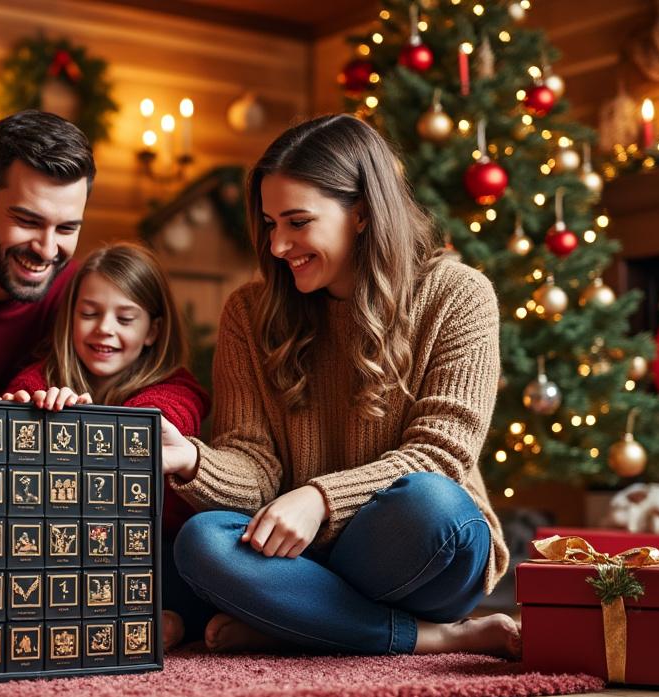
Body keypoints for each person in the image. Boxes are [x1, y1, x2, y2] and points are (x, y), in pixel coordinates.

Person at [160, 114, 520, 658]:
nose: (278, 245)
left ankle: (294, 618)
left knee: (430, 503)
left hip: (419, 549)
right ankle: (429, 637)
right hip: (304, 559)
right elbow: (254, 465)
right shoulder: (249, 314)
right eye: (270, 223)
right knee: (203, 541)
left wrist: (320, 500)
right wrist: (191, 459)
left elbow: (441, 455)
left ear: (362, 212)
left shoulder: (458, 295)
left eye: (298, 222)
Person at [0, 243, 211, 650]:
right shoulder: (39, 378)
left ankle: (174, 619)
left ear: (152, 331)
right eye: (89, 314)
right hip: (62, 550)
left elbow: (161, 421)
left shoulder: (175, 388)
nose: (104, 329)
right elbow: (13, 433)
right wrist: (23, 414)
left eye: (125, 318)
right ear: (70, 318)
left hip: (148, 552)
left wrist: (75, 424)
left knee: (194, 558)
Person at [0, 109, 96, 397]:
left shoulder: (81, 291)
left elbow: (164, 375)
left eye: (66, 228)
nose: (47, 249)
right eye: (28, 221)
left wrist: (156, 417)